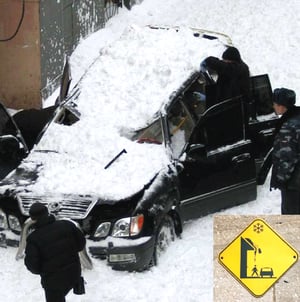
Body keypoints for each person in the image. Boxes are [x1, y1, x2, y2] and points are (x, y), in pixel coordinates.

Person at [24, 202, 86, 302]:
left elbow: (32, 266)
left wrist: (44, 270)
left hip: (53, 283)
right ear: (47, 213)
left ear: (33, 219)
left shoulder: (33, 239)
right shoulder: (67, 225)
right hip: (73, 273)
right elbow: (80, 245)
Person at [270, 88, 300, 214]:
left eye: (275, 104)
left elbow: (287, 158)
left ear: (282, 106)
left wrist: (281, 179)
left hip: (294, 184)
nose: (273, 106)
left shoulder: (288, 127)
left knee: (291, 217)